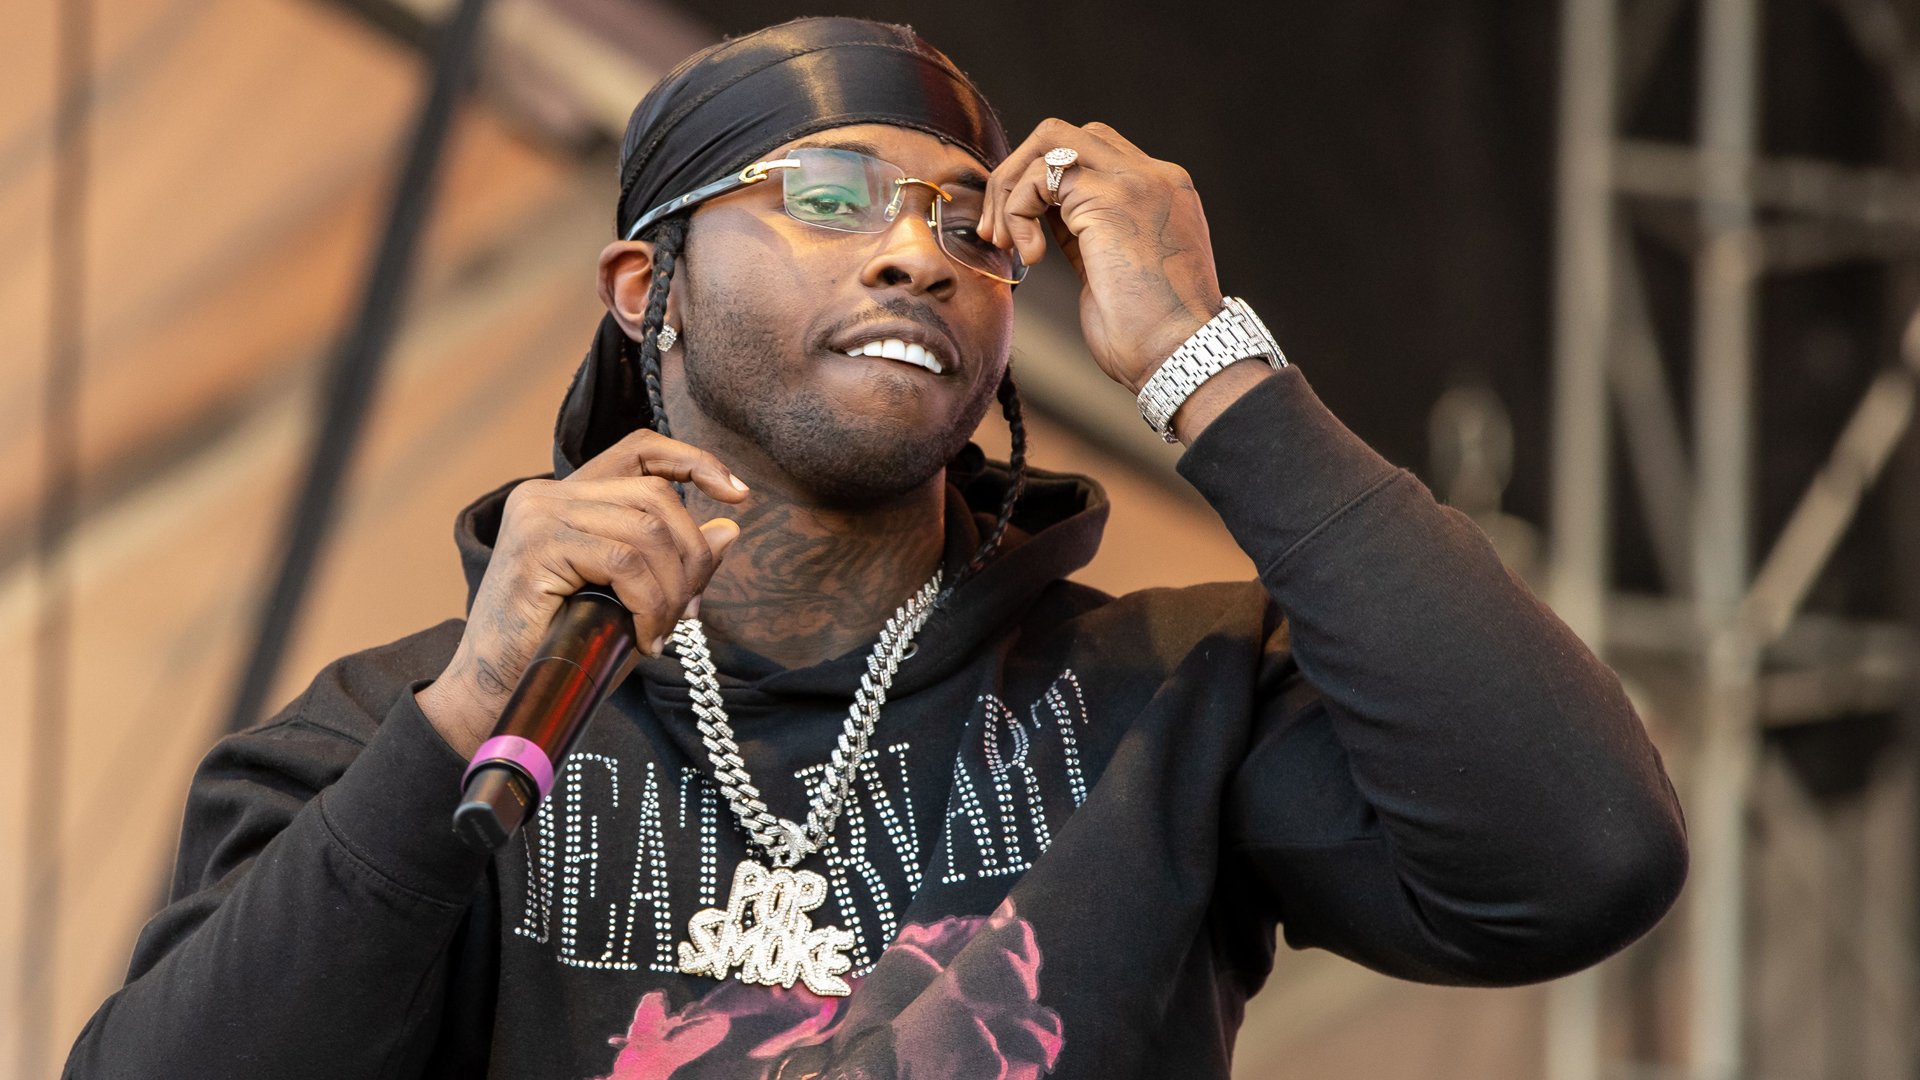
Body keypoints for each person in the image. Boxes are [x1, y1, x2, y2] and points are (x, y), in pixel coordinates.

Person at [66, 16, 1686, 1080]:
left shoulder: (1176, 695)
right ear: (651, 292)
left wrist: (1209, 363)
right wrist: (451, 733)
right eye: (830, 197)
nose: (919, 252)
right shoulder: (397, 737)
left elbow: (1581, 855)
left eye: (972, 223)